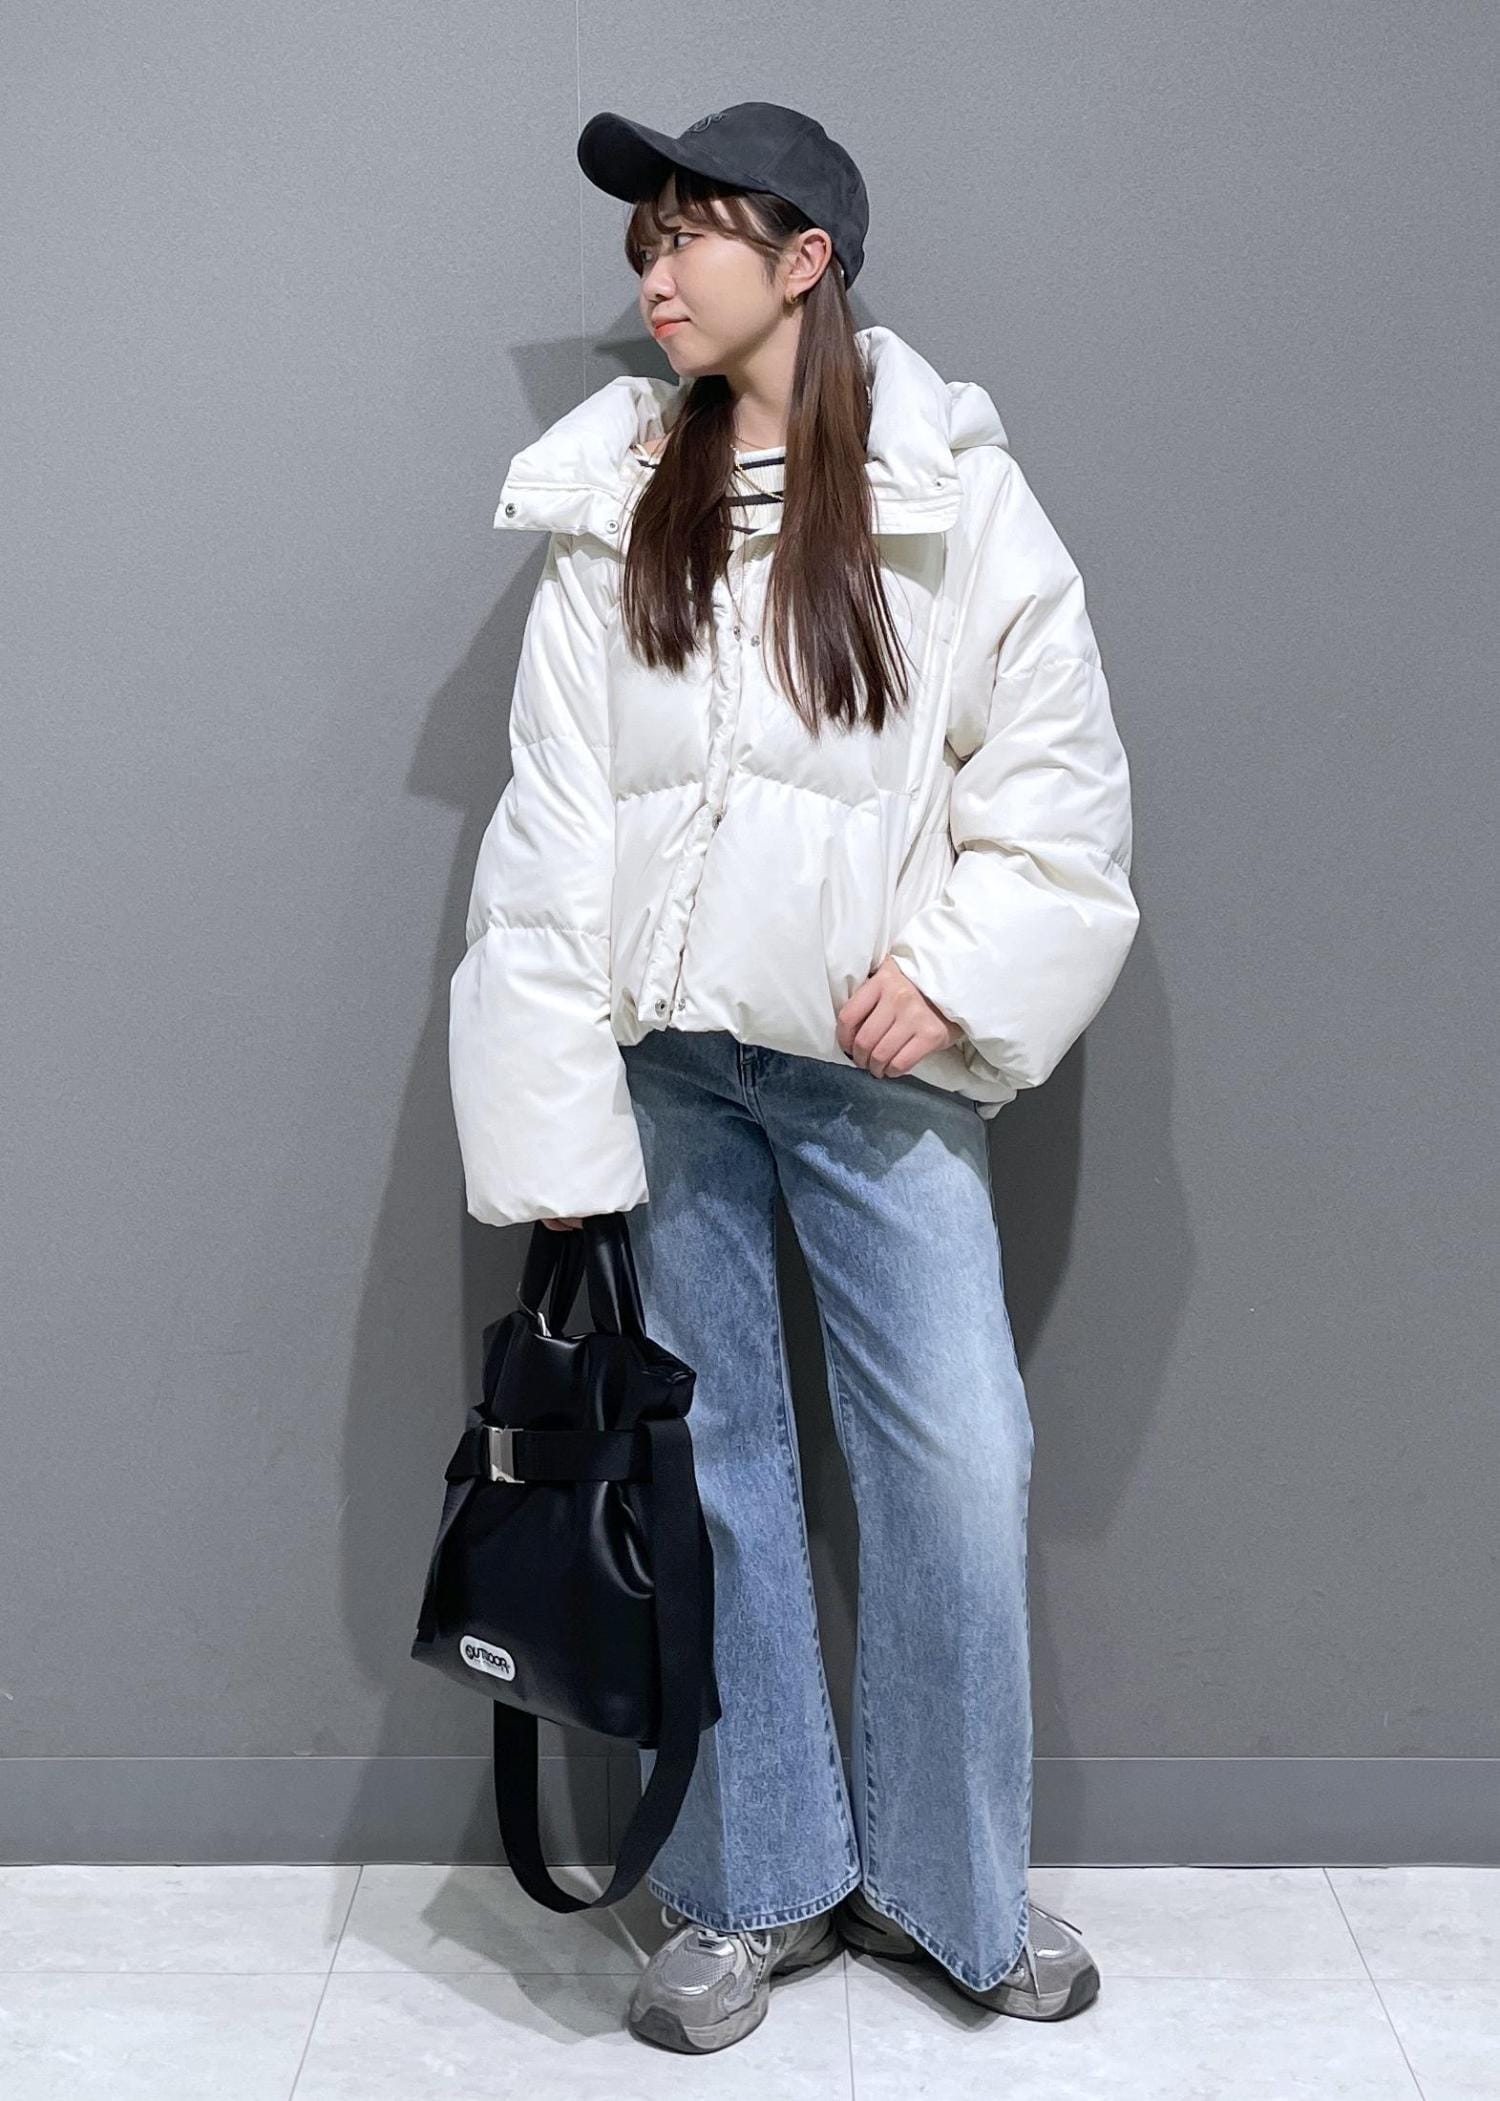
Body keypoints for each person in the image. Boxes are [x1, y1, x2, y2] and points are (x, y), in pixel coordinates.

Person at [448, 100, 1138, 2055]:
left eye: (690, 233)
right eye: (642, 243)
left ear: (808, 256)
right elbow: (551, 825)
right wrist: (555, 1121)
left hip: (867, 1078)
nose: (653, 273)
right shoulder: (616, 502)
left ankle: (951, 1888)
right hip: (670, 1077)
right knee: (715, 1484)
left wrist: (960, 971)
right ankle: (749, 1884)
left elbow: (1059, 774)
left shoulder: (950, 494)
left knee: (956, 1470)